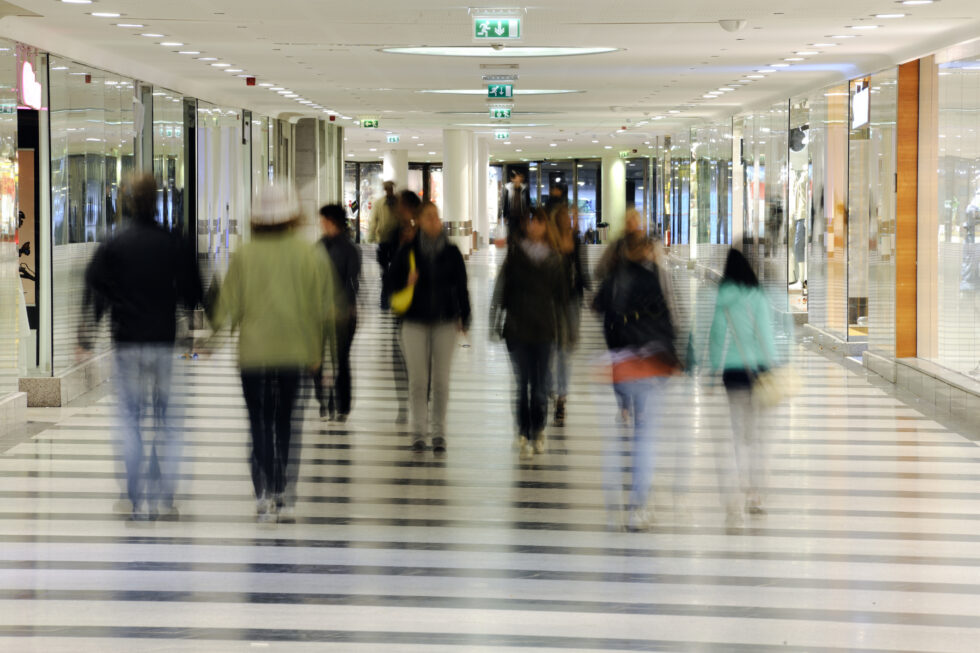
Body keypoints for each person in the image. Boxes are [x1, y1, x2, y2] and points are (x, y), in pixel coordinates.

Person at [80, 173, 203, 521]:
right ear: (157, 200)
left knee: (130, 419)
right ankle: (165, 499)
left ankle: (134, 496)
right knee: (170, 423)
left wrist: (86, 335)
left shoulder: (114, 243)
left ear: (128, 202)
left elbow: (96, 288)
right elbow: (194, 292)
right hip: (164, 341)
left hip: (127, 342)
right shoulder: (173, 241)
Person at [210, 184, 337, 522]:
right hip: (294, 353)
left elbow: (228, 307)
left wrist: (209, 341)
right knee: (285, 423)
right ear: (293, 216)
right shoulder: (310, 255)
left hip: (253, 354)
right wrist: (317, 354)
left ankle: (263, 492)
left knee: (258, 424)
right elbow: (321, 309)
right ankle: (283, 491)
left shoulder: (245, 254)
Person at [593, 231, 680, 531]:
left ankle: (611, 509)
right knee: (645, 439)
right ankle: (637, 506)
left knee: (617, 444)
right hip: (648, 367)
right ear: (640, 250)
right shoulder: (650, 279)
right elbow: (665, 322)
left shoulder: (613, 280)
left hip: (621, 367)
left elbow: (601, 315)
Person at [386, 202, 471, 453]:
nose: (435, 220)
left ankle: (439, 433)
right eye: (429, 217)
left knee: (441, 381)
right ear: (420, 221)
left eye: (436, 216)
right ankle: (419, 433)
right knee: (419, 380)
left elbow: (462, 287)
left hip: (445, 322)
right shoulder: (407, 252)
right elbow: (389, 288)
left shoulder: (452, 252)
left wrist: (464, 317)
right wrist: (406, 282)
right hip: (413, 323)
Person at [708, 248, 778, 525]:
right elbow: (766, 334)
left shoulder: (723, 298)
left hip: (733, 374)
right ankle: (755, 495)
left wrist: (713, 369)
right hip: (758, 371)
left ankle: (736, 493)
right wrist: (772, 366)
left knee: (737, 435)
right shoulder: (757, 296)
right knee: (756, 436)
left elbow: (717, 335)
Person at [492, 208, 568, 461]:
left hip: (545, 329)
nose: (534, 226)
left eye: (539, 222)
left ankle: (538, 430)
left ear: (546, 227)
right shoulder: (514, 256)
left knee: (539, 386)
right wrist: (495, 321)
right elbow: (501, 290)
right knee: (523, 383)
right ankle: (523, 432)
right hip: (517, 329)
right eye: (530, 222)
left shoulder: (555, 259)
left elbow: (562, 300)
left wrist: (566, 330)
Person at [546, 186, 589, 427]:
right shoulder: (550, 241)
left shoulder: (576, 238)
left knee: (566, 349)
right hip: (553, 299)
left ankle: (561, 395)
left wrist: (589, 290)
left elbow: (581, 268)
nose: (568, 221)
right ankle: (555, 389)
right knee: (553, 346)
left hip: (572, 298)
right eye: (564, 217)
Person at [378, 190, 421, 423]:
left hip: (423, 302)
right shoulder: (395, 232)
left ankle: (419, 399)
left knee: (421, 356)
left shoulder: (424, 231)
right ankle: (403, 402)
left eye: (402, 206)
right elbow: (382, 257)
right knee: (399, 354)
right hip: (402, 302)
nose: (398, 210)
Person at [315, 204, 361, 422]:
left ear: (331, 221)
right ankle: (325, 402)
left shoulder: (349, 249)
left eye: (323, 220)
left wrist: (346, 306)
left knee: (340, 358)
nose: (320, 224)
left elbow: (352, 282)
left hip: (343, 315)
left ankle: (342, 405)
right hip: (321, 313)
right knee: (319, 358)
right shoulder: (319, 246)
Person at [500, 169, 531, 244]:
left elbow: (528, 203)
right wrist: (504, 216)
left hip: (522, 216)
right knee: (512, 233)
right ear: (512, 179)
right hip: (512, 216)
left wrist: (528, 215)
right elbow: (506, 203)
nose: (519, 179)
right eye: (517, 177)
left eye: (519, 177)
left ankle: (520, 249)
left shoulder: (524, 189)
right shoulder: (508, 189)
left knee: (521, 234)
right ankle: (512, 248)